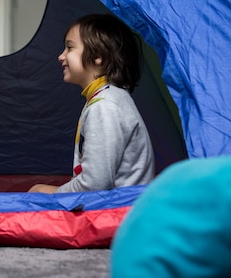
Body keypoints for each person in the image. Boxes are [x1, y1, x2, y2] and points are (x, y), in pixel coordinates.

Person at [29, 13, 154, 193]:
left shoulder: (104, 107)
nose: (61, 56)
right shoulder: (108, 98)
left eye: (69, 48)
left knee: (36, 192)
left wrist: (49, 193)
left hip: (115, 216)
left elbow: (94, 185)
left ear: (97, 56)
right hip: (116, 211)